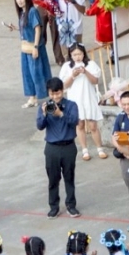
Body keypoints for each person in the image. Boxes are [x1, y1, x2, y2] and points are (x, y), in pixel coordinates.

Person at [38, 77, 81, 217]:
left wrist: (61, 114)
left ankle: (71, 205)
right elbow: (40, 126)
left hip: (69, 146)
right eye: (52, 94)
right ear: (48, 93)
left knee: (69, 177)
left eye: (58, 93)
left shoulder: (71, 105)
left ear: (63, 91)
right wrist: (44, 114)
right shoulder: (44, 106)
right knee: (53, 179)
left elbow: (74, 121)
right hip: (52, 148)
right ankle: (53, 206)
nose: (55, 97)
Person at [59, 43, 105, 160]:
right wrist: (73, 76)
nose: (77, 57)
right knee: (79, 125)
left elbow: (95, 81)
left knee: (93, 125)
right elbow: (64, 86)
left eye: (79, 54)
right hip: (75, 98)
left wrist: (85, 72)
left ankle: (100, 149)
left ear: (84, 53)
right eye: (74, 55)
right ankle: (85, 150)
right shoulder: (67, 66)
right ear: (70, 55)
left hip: (88, 97)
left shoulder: (91, 64)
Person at [7, 0, 49, 108]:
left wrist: (35, 47)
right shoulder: (22, 13)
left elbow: (37, 29)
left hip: (33, 47)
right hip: (25, 48)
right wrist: (16, 28)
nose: (19, 1)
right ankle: (32, 98)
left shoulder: (32, 11)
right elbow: (27, 28)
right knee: (27, 73)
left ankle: (41, 96)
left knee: (36, 72)